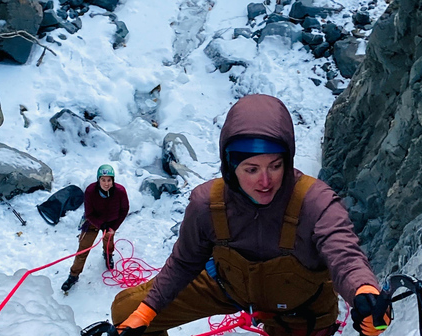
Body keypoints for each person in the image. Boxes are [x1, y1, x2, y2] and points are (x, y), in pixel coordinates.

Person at [111, 94, 392, 336]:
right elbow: (184, 264)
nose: (265, 181)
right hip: (228, 286)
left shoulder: (315, 202)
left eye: (275, 165)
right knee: (126, 310)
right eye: (251, 169)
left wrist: (363, 291)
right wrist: (145, 313)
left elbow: (344, 255)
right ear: (231, 167)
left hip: (299, 308)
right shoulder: (207, 204)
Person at [61, 164, 130, 292]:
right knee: (83, 249)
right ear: (98, 180)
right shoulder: (90, 191)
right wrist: (100, 225)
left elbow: (124, 209)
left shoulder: (120, 191)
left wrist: (114, 227)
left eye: (109, 180)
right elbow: (89, 213)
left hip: (111, 223)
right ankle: (73, 275)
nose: (106, 183)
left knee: (109, 242)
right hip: (92, 222)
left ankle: (108, 255)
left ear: (113, 180)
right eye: (103, 180)